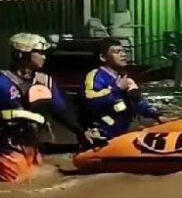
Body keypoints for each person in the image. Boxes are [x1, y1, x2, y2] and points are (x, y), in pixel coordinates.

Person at [1, 33, 95, 182]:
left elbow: (60, 110)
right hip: (7, 147)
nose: (44, 57)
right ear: (21, 55)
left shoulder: (44, 81)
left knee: (43, 175)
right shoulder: (2, 82)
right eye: (40, 53)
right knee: (18, 181)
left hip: (31, 145)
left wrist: (82, 132)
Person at [80, 38, 166, 140]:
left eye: (124, 51)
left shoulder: (123, 77)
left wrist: (156, 115)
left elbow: (138, 101)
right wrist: (118, 88)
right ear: (103, 57)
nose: (123, 54)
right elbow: (91, 103)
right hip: (104, 129)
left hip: (124, 127)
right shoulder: (95, 76)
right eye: (117, 52)